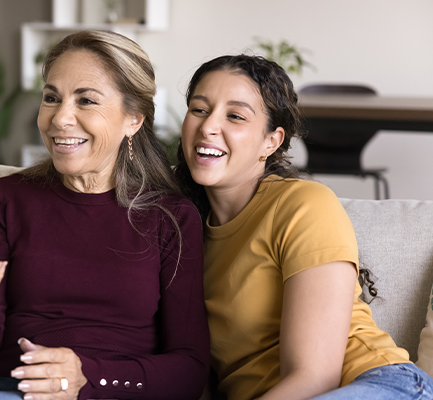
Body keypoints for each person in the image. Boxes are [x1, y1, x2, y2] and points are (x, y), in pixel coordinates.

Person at [0, 30, 209, 400]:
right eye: (51, 98)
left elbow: (190, 370)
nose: (60, 119)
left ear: (133, 119)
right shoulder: (5, 198)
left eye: (86, 100)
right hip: (2, 390)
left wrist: (89, 377)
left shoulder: (171, 217)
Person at [174, 54, 433, 400]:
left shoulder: (302, 204)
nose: (208, 126)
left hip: (377, 385)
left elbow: (315, 377)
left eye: (235, 116)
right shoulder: (182, 231)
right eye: (199, 109)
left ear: (272, 141)